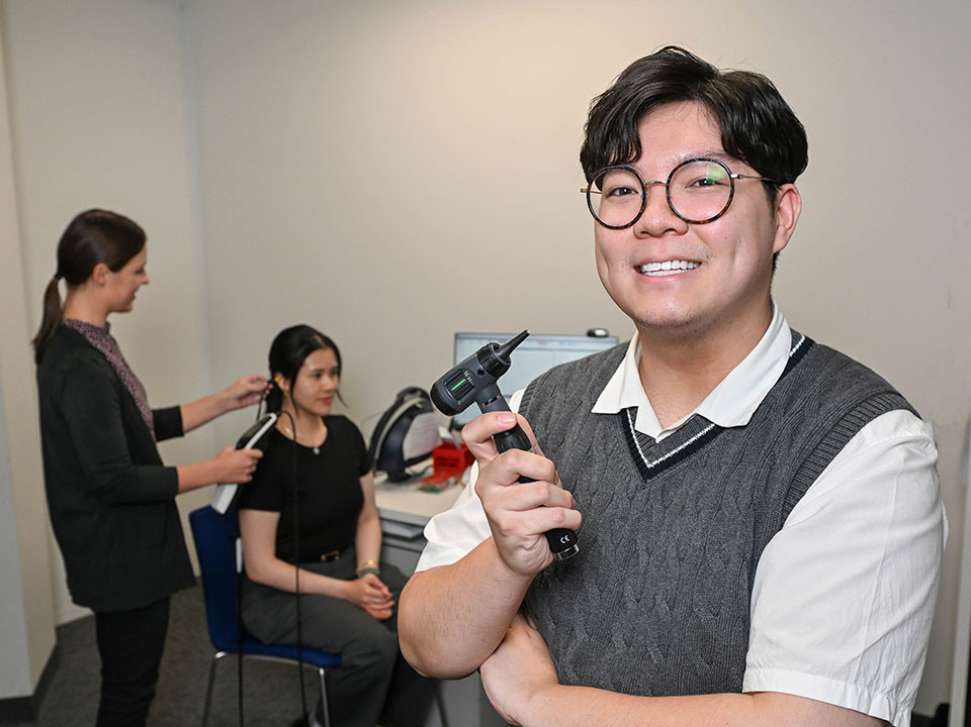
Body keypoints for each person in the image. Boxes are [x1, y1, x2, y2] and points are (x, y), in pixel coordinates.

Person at [399, 46, 946, 727]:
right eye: (622, 188)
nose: (654, 219)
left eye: (701, 180)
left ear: (781, 213)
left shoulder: (865, 444)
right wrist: (507, 562)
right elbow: (425, 639)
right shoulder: (536, 411)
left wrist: (542, 703)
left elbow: (810, 719)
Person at [33, 208, 267, 726]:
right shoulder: (78, 363)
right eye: (137, 269)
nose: (145, 279)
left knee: (132, 680)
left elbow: (136, 426)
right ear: (101, 274)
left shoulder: (90, 343)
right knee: (129, 690)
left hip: (123, 549)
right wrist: (216, 470)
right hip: (118, 555)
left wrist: (225, 401)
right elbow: (113, 476)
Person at [238, 324, 434, 727]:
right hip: (280, 591)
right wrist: (348, 592)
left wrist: (367, 572)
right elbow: (260, 566)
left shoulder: (345, 434)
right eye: (316, 375)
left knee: (427, 625)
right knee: (374, 647)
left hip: (349, 569)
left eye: (334, 373)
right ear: (282, 380)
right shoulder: (265, 452)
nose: (330, 384)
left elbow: (366, 516)